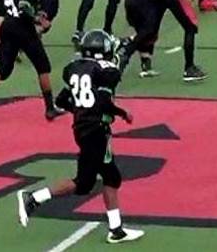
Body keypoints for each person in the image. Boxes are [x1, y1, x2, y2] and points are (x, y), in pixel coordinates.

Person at [16, 29, 144, 244]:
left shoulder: (76, 68)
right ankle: (34, 198)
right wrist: (122, 113)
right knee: (85, 183)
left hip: (85, 128)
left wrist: (82, 111)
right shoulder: (106, 71)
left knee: (111, 177)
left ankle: (116, 229)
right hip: (95, 131)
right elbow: (103, 102)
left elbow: (61, 101)